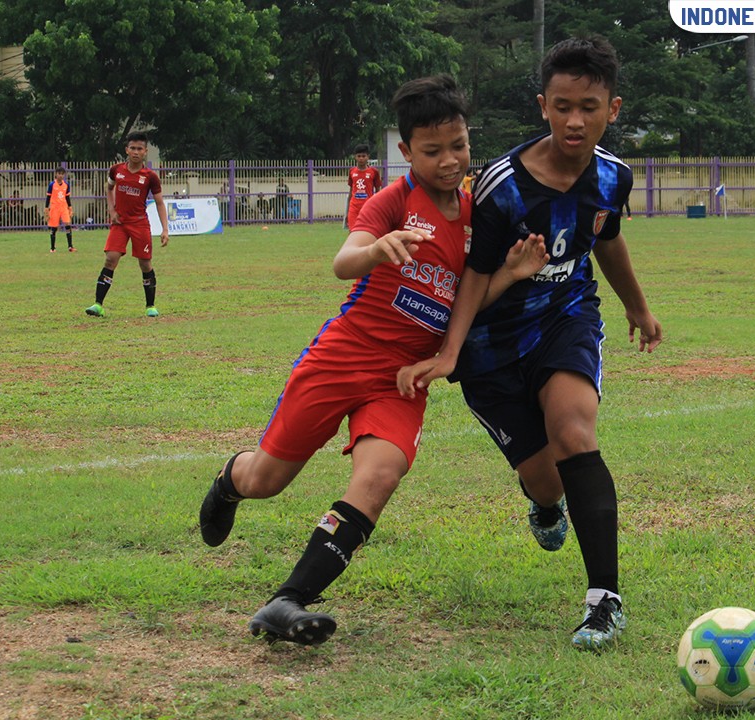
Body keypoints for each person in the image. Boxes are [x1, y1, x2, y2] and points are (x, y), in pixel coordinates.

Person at [197, 74, 547, 647]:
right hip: (342, 358)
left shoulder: (475, 215)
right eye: (432, 151)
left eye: (458, 146)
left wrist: (510, 273)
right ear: (406, 152)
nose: (450, 160)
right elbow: (343, 261)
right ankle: (229, 483)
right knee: (268, 479)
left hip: (403, 378)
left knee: (381, 473)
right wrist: (375, 250)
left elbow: (464, 298)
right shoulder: (392, 202)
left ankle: (289, 600)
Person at [398, 36, 663, 652]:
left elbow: (606, 237)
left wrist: (637, 305)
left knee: (574, 432)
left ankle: (604, 601)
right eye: (563, 106)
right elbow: (473, 275)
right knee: (546, 481)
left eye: (590, 107)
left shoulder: (613, 178)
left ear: (612, 109)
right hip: (492, 345)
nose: (576, 120)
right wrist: (449, 351)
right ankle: (544, 506)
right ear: (544, 105)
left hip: (566, 317)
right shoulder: (503, 187)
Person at [85, 131, 169, 318]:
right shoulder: (116, 170)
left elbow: (160, 203)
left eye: (140, 149)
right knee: (110, 259)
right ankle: (98, 305)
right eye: (132, 148)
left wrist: (165, 229)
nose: (136, 152)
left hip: (139, 224)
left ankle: (150, 306)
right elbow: (109, 188)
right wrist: (112, 210)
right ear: (127, 150)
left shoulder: (150, 177)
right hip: (120, 223)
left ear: (145, 152)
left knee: (145, 264)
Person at [345, 144, 382, 229]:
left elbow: (378, 192)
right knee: (353, 231)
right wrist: (347, 212)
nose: (361, 158)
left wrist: (378, 208)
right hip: (354, 207)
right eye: (359, 156)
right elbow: (351, 190)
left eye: (363, 156)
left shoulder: (374, 172)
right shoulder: (352, 171)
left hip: (368, 207)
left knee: (366, 231)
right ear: (355, 157)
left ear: (368, 157)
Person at [46, 168, 75, 252]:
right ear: (56, 174)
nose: (61, 175)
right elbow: (48, 197)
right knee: (54, 227)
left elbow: (67, 197)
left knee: (68, 225)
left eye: (62, 174)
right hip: (55, 208)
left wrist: (70, 207)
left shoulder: (66, 185)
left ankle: (70, 247)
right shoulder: (52, 185)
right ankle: (52, 248)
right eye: (59, 173)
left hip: (64, 207)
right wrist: (46, 208)